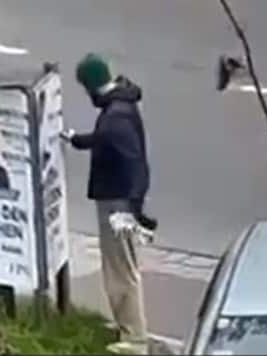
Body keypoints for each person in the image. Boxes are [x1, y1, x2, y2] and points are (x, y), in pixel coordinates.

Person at [62, 53, 153, 355]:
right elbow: (104, 139)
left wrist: (134, 208)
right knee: (122, 266)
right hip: (121, 199)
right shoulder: (122, 105)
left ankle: (134, 339)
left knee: (119, 270)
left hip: (118, 202)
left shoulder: (115, 117)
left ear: (90, 86)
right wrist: (77, 139)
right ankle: (128, 327)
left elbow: (132, 160)